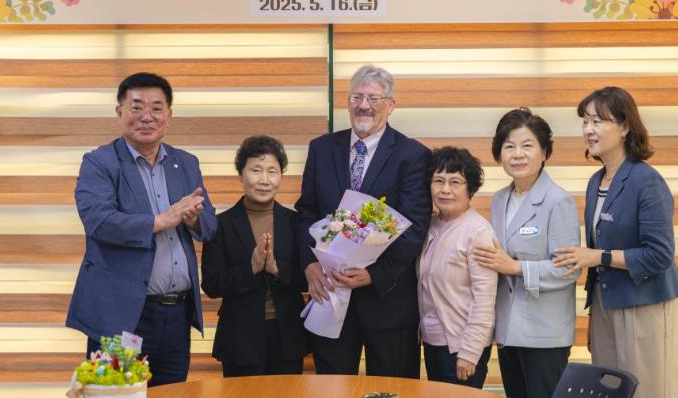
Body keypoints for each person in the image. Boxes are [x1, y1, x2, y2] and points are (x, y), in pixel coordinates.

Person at [66, 72, 217, 386]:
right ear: (119, 112)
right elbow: (100, 222)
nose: (147, 116)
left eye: (156, 108)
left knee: (172, 392)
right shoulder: (99, 162)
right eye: (136, 107)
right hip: (121, 314)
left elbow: (209, 225)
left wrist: (191, 218)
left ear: (169, 116)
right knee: (116, 393)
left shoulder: (185, 163)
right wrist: (162, 220)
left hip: (176, 314)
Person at [296, 64, 432, 377]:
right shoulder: (321, 149)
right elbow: (305, 212)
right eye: (356, 97)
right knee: (331, 389)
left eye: (373, 98)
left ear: (391, 104)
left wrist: (374, 275)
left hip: (387, 300)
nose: (364, 105)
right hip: (330, 294)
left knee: (393, 391)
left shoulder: (412, 155)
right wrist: (309, 264)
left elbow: (414, 227)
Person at [554, 87, 678, 398]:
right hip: (605, 304)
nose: (588, 130)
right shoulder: (595, 181)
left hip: (645, 305)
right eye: (585, 121)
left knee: (647, 391)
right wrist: (594, 314)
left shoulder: (646, 181)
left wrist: (600, 257)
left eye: (598, 121)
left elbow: (660, 255)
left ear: (625, 127)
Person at [473, 108, 580, 398]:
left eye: (527, 145)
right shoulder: (499, 200)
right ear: (499, 154)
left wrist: (516, 267)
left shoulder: (558, 201)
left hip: (544, 334)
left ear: (544, 152)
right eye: (509, 146)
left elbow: (568, 268)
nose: (517, 154)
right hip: (508, 330)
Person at [201, 135, 307, 377]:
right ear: (241, 175)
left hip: (287, 336)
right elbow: (212, 285)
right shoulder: (221, 225)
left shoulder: (295, 222)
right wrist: (251, 268)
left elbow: (308, 279)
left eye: (272, 171)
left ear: (281, 177)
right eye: (256, 170)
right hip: (240, 338)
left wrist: (277, 269)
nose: (264, 180)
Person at [418, 147, 497, 389]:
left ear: (470, 187)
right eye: (438, 181)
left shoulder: (478, 231)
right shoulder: (429, 225)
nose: (445, 189)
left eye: (455, 182)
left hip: (461, 346)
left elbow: (484, 299)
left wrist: (470, 352)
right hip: (433, 343)